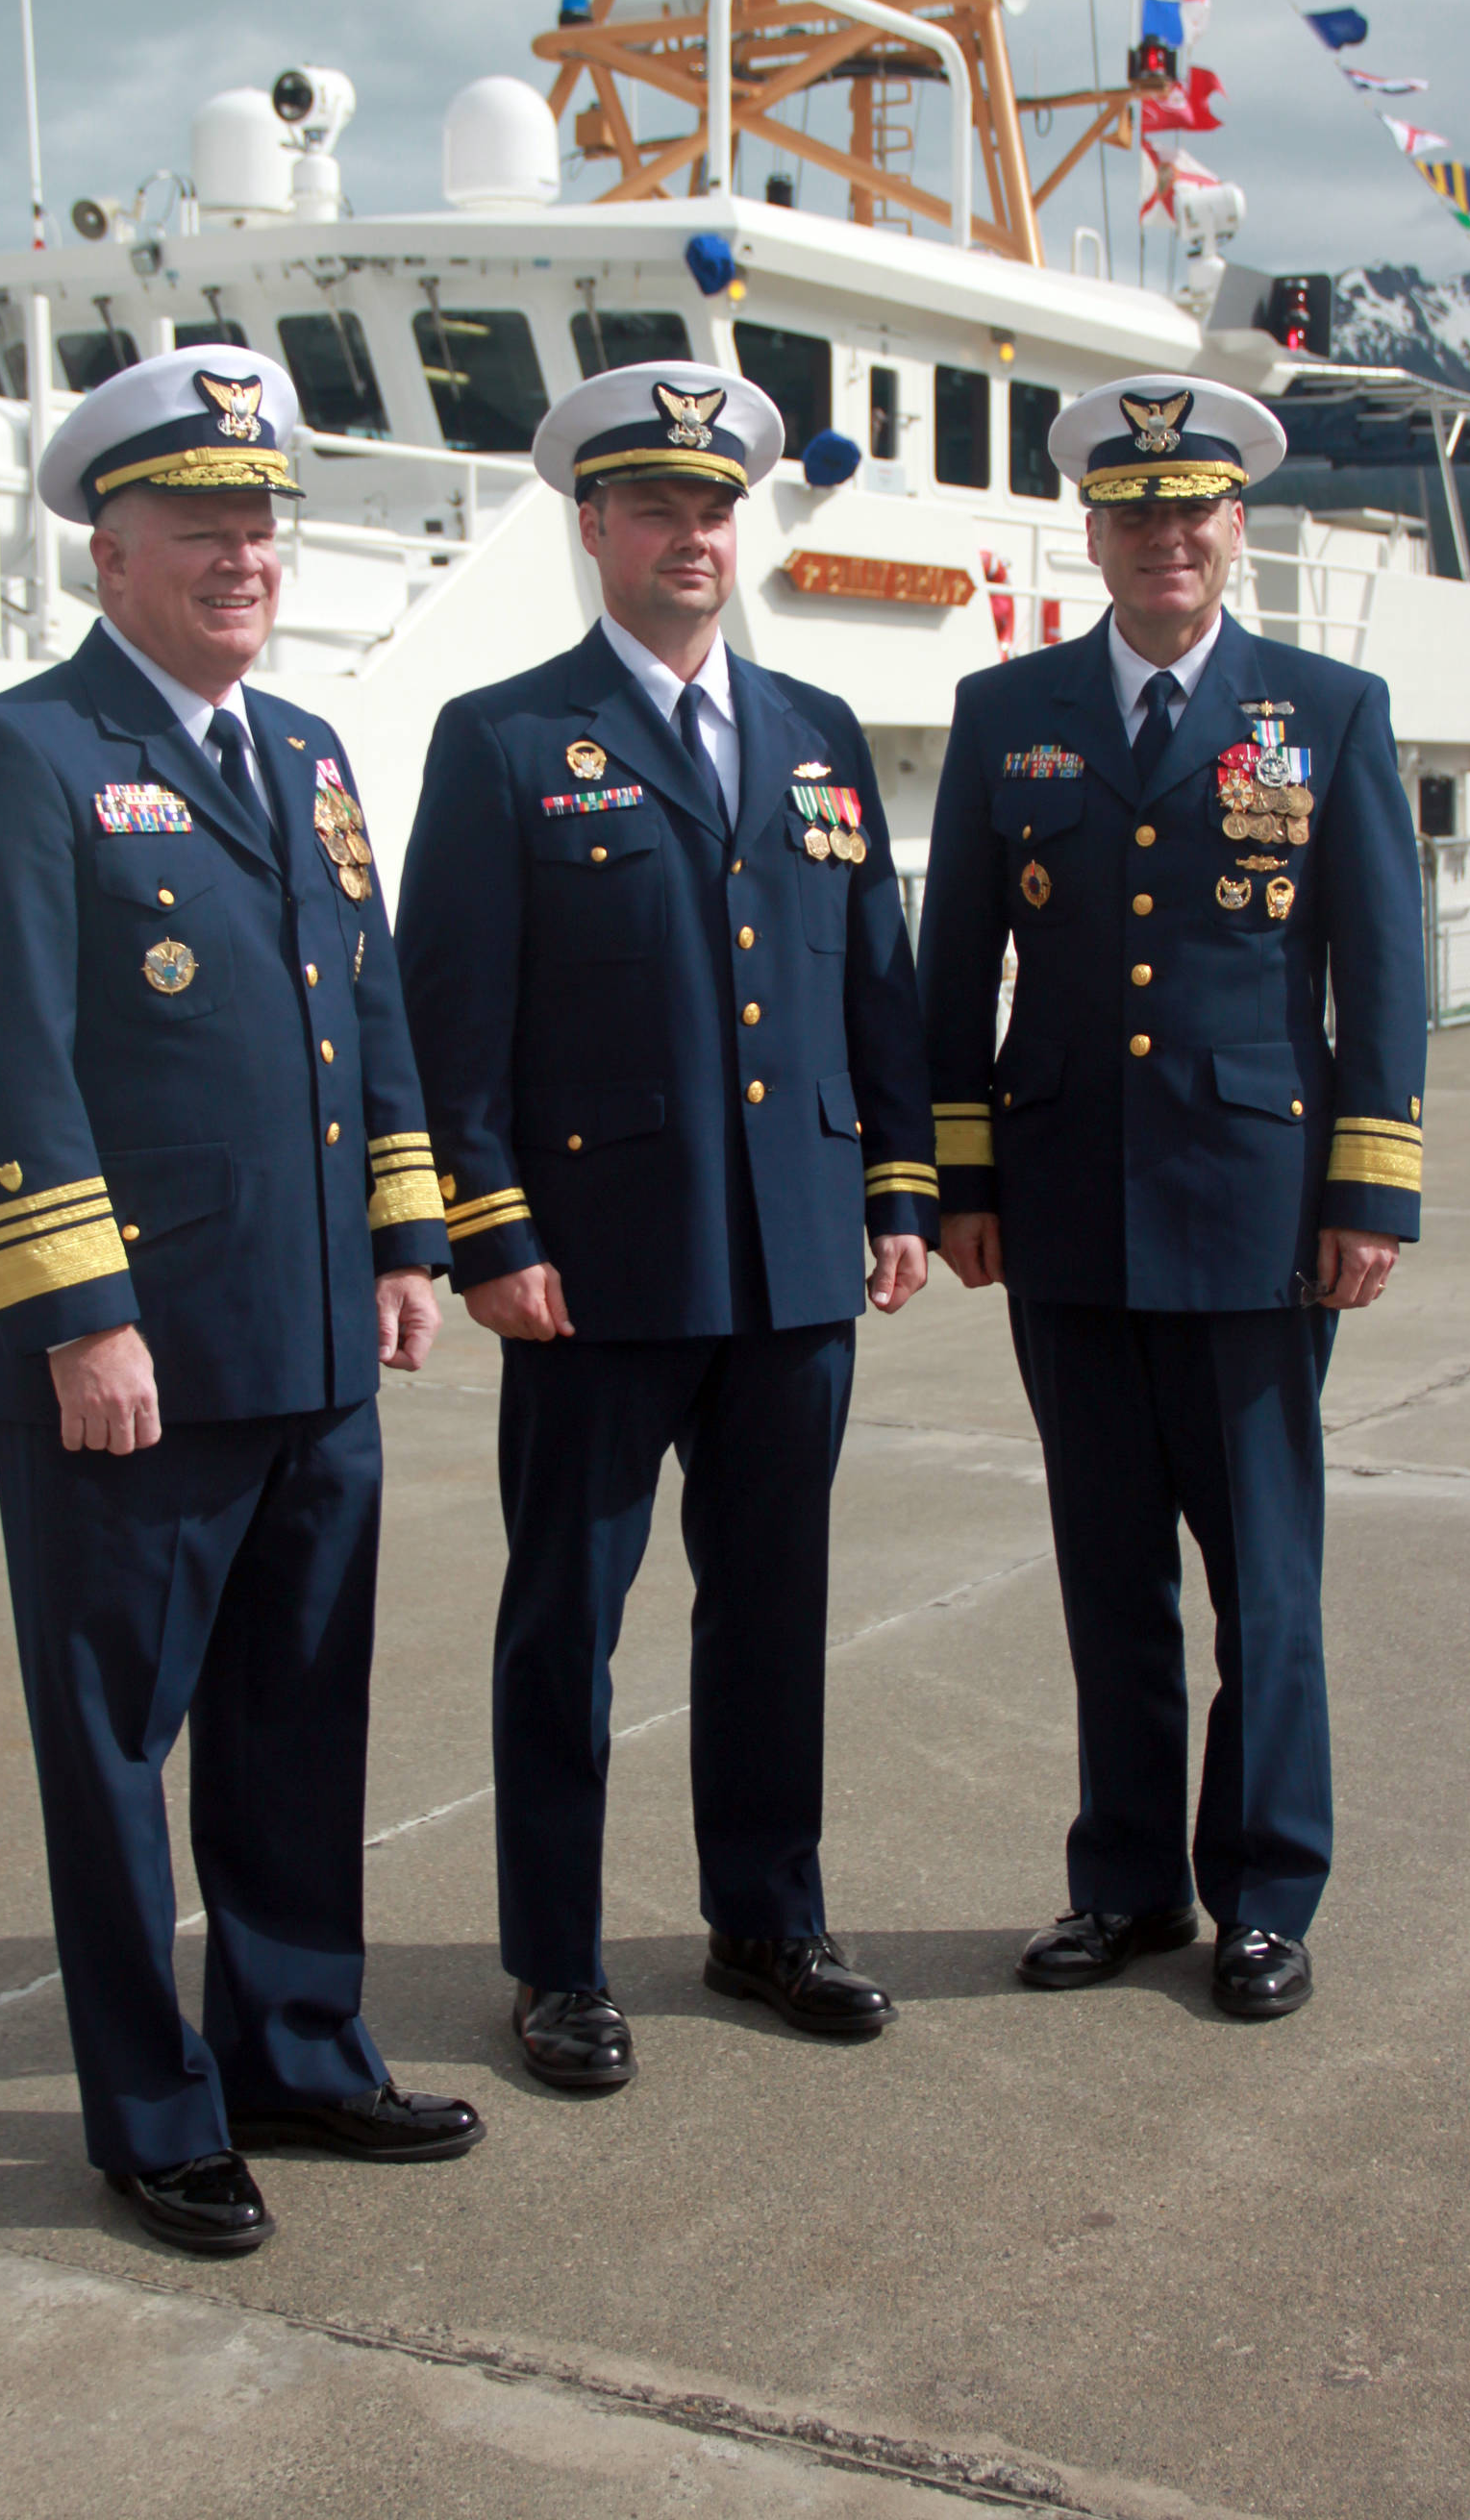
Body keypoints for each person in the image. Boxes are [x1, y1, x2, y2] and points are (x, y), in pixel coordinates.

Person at [0, 346, 483, 2258]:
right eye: (200, 529)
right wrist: (78, 1313)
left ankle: (297, 2052)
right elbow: (1, 1057)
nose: (243, 556)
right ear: (111, 552)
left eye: (261, 526)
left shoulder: (306, 756)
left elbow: (366, 1011)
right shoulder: (24, 756)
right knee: (113, 1754)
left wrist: (408, 1242)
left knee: (301, 1723)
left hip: (315, 1342)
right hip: (134, 1365)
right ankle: (152, 2114)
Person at [394, 361, 938, 2092]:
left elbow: (875, 985)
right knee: (568, 1617)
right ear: (595, 528)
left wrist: (898, 1187)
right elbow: (449, 1013)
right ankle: (557, 1961)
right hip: (594, 1266)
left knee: (776, 1604)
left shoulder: (818, 735)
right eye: (657, 507)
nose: (693, 535)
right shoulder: (502, 737)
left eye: (716, 509)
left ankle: (767, 1919)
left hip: (793, 1259)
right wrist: (489, 1229)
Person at [916, 377, 1426, 2021]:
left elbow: (1379, 974)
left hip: (1259, 1210)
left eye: (1190, 509)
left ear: (1235, 524)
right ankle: (1126, 1886)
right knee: (1107, 1570)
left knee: (1263, 1581)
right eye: (1135, 514)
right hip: (1063, 1206)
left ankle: (1265, 1897)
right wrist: (962, 1180)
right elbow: (957, 970)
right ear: (1095, 531)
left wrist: (1370, 1192)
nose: (1164, 538)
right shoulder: (1009, 711)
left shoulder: (1327, 710)